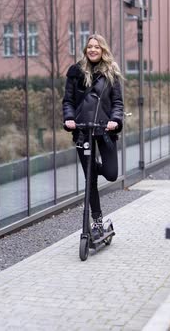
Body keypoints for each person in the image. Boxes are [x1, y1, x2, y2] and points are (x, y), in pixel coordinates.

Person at [62, 34, 124, 237]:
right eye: (90, 46)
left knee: (111, 173)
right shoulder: (76, 72)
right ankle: (97, 221)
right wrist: (69, 119)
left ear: (103, 50)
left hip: (105, 130)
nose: (93, 50)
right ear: (85, 49)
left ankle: (92, 167)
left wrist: (115, 121)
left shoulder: (111, 72)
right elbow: (68, 101)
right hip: (82, 131)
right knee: (90, 182)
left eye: (97, 47)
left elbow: (117, 103)